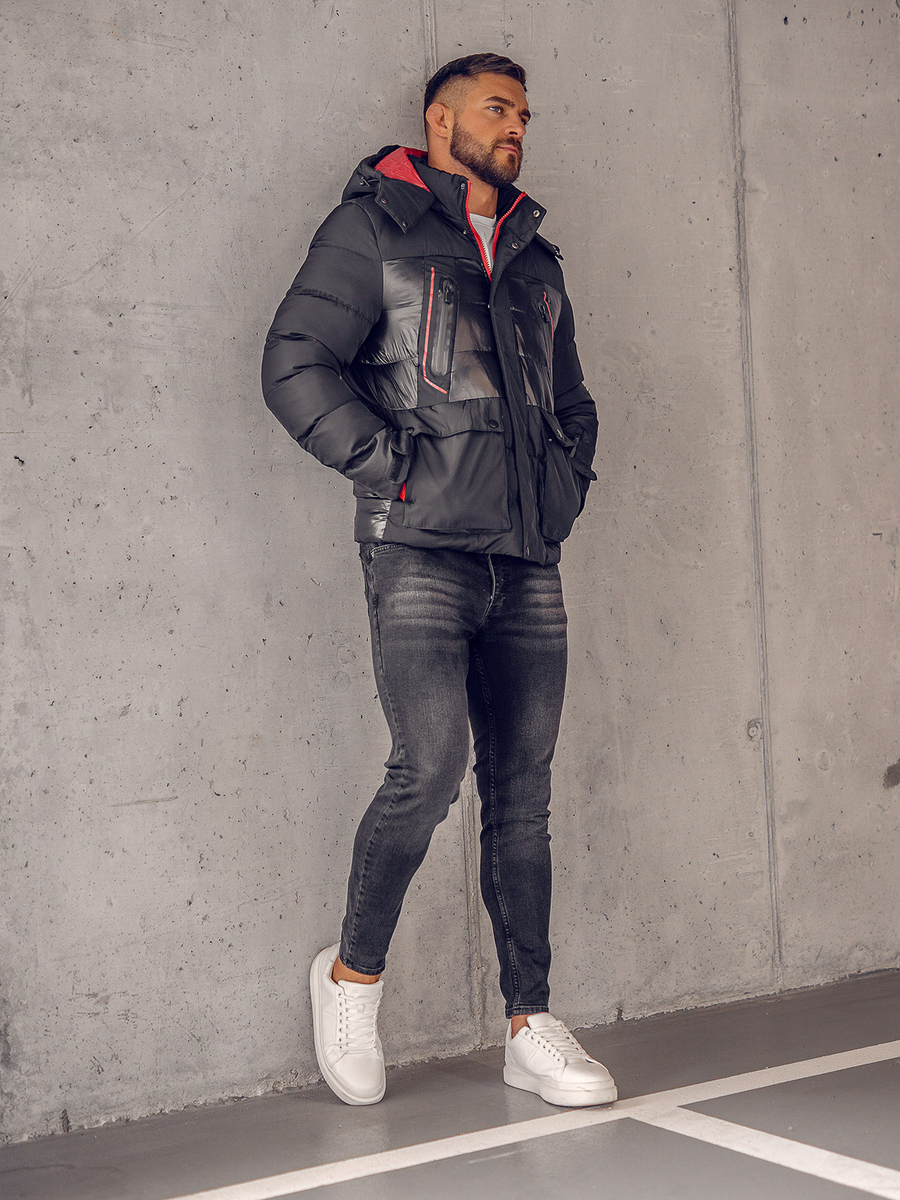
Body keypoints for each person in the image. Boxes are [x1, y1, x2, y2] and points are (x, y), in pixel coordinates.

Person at [261, 52, 616, 1109]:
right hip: (417, 547)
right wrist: (394, 471)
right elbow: (294, 362)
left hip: (527, 557)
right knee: (430, 768)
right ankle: (351, 979)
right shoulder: (372, 227)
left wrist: (562, 491)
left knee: (523, 794)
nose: (516, 129)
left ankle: (530, 1024)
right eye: (497, 110)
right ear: (440, 120)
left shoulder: (536, 257)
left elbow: (573, 402)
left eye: (524, 115)